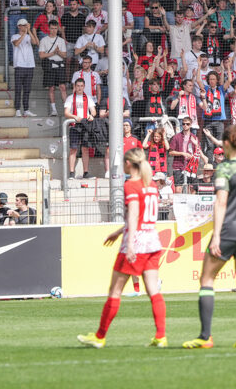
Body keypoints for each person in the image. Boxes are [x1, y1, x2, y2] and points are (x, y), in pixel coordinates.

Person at [78, 148, 167, 348]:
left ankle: (100, 336)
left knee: (115, 290)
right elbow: (142, 215)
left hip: (137, 241)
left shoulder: (131, 184)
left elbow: (134, 214)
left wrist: (129, 244)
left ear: (128, 163)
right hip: (153, 239)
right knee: (153, 289)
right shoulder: (150, 184)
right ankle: (161, 336)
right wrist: (118, 232)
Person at [184, 124, 236, 349]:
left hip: (229, 228)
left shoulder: (225, 169)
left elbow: (221, 202)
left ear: (226, 144)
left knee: (207, 279)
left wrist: (216, 236)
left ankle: (205, 336)